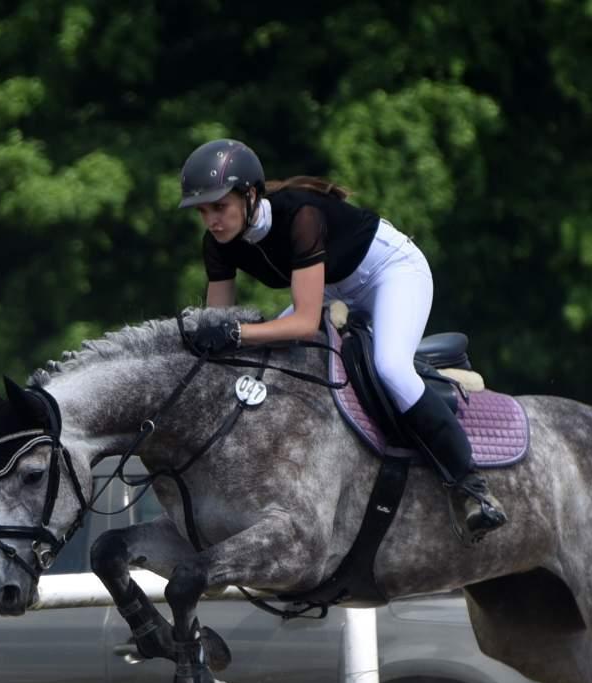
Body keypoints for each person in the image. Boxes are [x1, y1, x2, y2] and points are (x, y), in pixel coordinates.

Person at [176, 138, 506, 540]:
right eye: (203, 211)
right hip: (333, 288)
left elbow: (301, 324)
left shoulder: (302, 216)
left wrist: (237, 333)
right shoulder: (218, 244)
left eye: (219, 206)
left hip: (391, 272)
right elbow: (218, 324)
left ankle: (471, 486)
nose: (211, 220)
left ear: (250, 195)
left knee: (391, 368)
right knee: (269, 366)